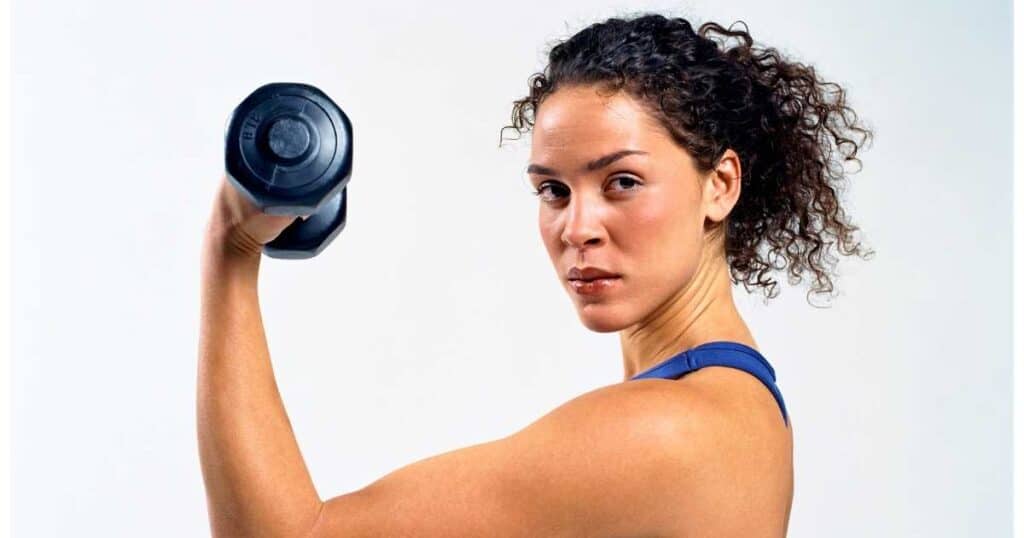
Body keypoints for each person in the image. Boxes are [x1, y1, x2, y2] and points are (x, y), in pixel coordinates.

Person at [197, 12, 874, 537]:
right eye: (553, 190)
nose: (577, 227)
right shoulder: (735, 403)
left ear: (721, 185)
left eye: (624, 181)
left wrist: (231, 248)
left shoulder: (672, 432)